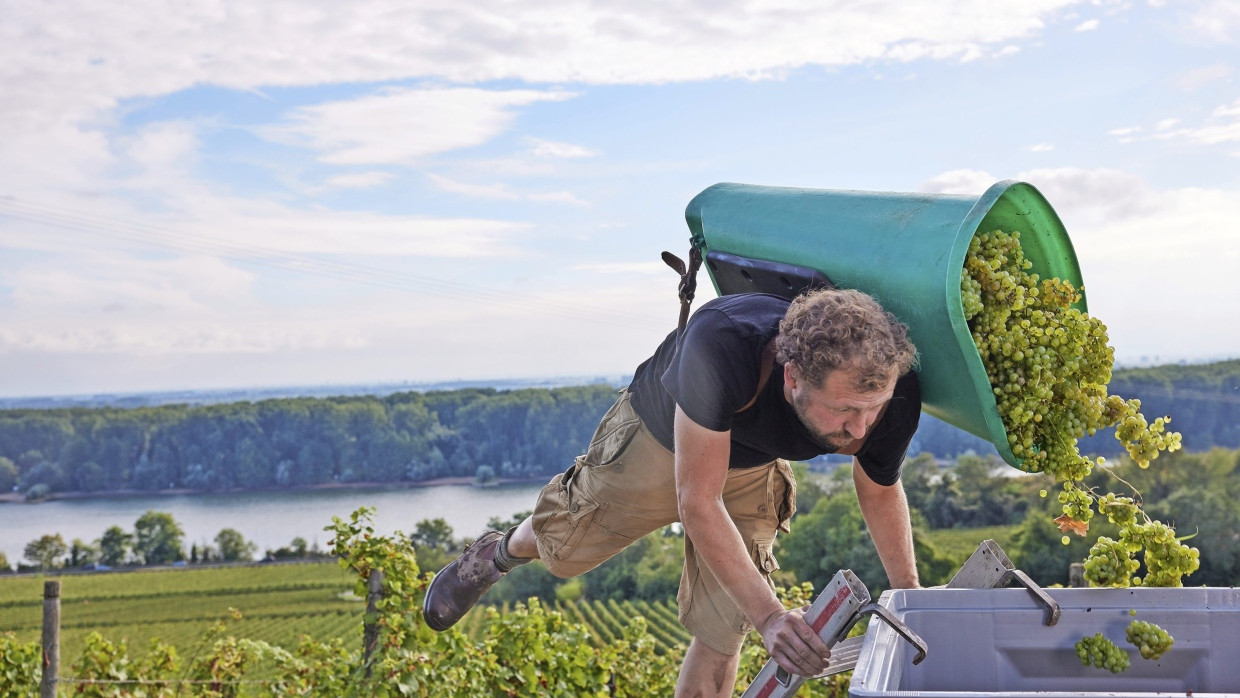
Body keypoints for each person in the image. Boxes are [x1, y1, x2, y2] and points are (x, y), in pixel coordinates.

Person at [423, 287, 922, 697]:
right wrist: (772, 616)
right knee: (564, 548)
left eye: (871, 410)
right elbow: (697, 500)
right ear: (792, 378)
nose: (860, 430)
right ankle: (498, 554)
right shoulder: (723, 344)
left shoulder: (891, 392)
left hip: (750, 465)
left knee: (725, 622)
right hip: (659, 438)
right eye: (843, 412)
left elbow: (879, 489)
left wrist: (911, 597)